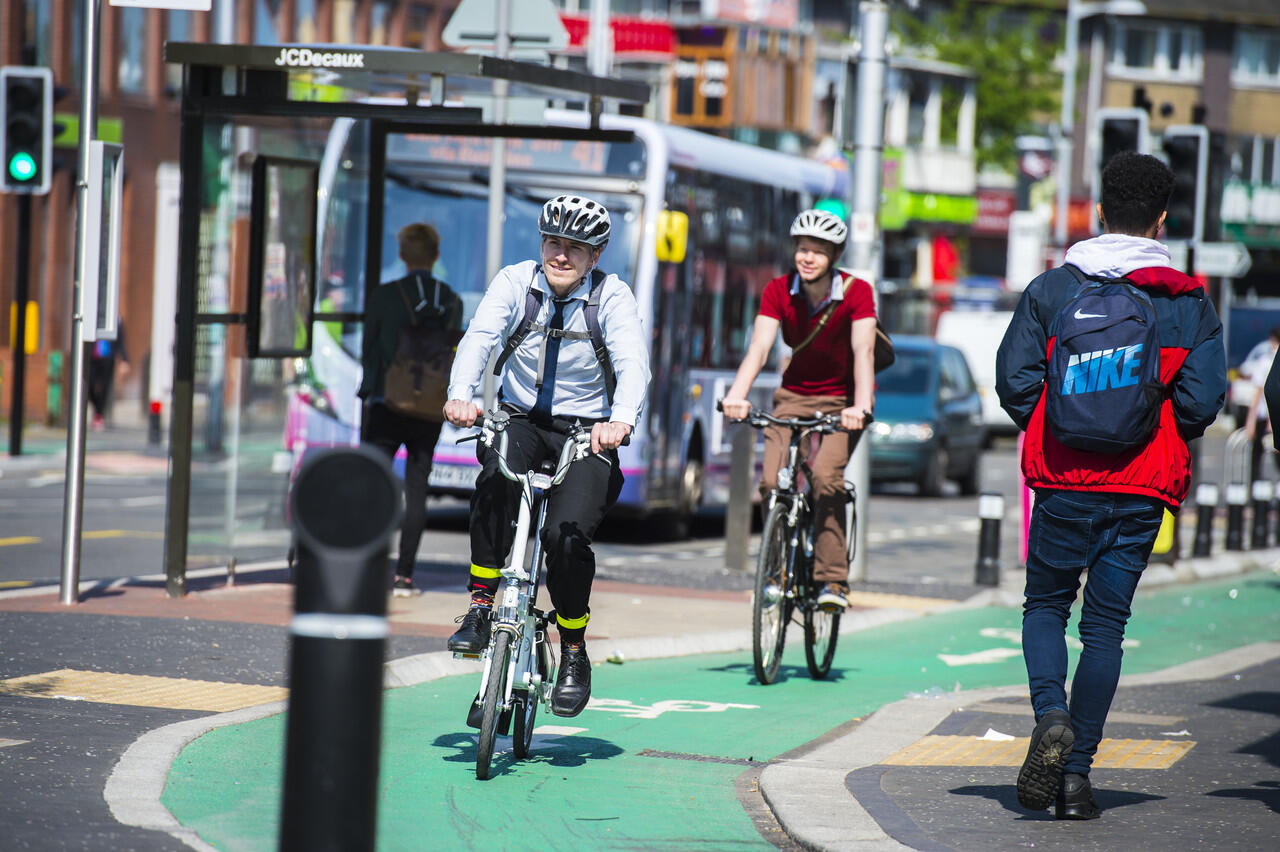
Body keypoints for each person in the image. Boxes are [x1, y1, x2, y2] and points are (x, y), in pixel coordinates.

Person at [995, 151, 1226, 820]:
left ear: (1098, 212)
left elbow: (1015, 384)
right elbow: (1200, 404)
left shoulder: (1053, 288)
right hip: (1142, 486)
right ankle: (1074, 780)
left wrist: (1059, 424)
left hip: (1063, 480)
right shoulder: (1187, 299)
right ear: (1161, 221)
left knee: (1044, 607)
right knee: (1105, 627)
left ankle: (1051, 713)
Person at [442, 195, 650, 718]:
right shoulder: (515, 282)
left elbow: (632, 362)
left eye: (576, 248)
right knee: (494, 476)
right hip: (521, 420)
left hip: (588, 433)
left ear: (595, 255)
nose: (562, 255)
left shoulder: (613, 297)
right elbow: (480, 338)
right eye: (554, 243)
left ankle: (574, 649)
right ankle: (481, 605)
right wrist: (462, 394)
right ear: (541, 244)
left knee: (565, 536)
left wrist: (620, 419)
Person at [719, 208, 877, 612]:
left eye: (818, 252)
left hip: (843, 403)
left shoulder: (857, 292)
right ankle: (777, 573)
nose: (808, 258)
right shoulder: (777, 290)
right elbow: (759, 348)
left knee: (825, 479)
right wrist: (737, 396)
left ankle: (832, 582)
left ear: (834, 256)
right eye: (802, 249)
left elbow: (864, 351)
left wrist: (860, 405)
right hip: (792, 398)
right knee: (772, 484)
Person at [358, 223, 463, 597]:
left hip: (387, 402)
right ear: (435, 256)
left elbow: (370, 348)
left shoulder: (385, 296)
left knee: (373, 484)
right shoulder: (452, 300)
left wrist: (370, 389)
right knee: (417, 488)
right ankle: (404, 576)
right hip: (430, 407)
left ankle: (367, 567)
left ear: (402, 255)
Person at [1242, 328, 1280, 479]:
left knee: (1256, 456)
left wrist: (1250, 421)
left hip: (1265, 415)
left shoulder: (1265, 361)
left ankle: (1256, 492)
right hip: (1272, 417)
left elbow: (1261, 392)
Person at [88, 320, 129, 431]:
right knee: (88, 385)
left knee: (104, 388)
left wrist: (124, 360)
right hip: (92, 357)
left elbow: (120, 342)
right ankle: (97, 409)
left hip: (107, 358)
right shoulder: (92, 317)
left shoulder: (116, 321)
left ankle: (98, 415)